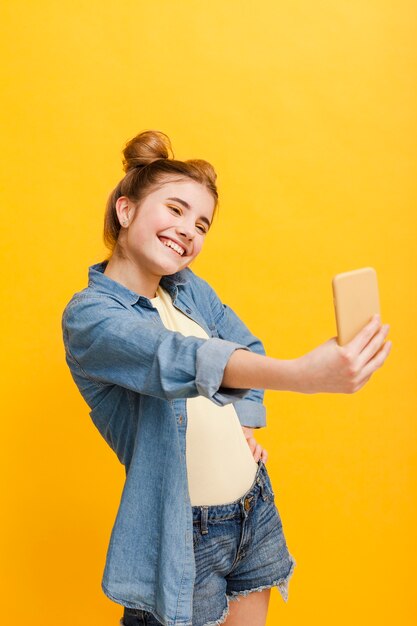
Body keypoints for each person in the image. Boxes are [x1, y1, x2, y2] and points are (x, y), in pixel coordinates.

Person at [61, 130, 392, 626]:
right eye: (174, 210)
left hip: (252, 505)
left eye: (201, 223)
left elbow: (244, 347)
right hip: (184, 534)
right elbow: (178, 357)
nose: (189, 231)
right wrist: (301, 376)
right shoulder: (90, 317)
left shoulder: (188, 289)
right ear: (125, 210)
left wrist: (247, 424)